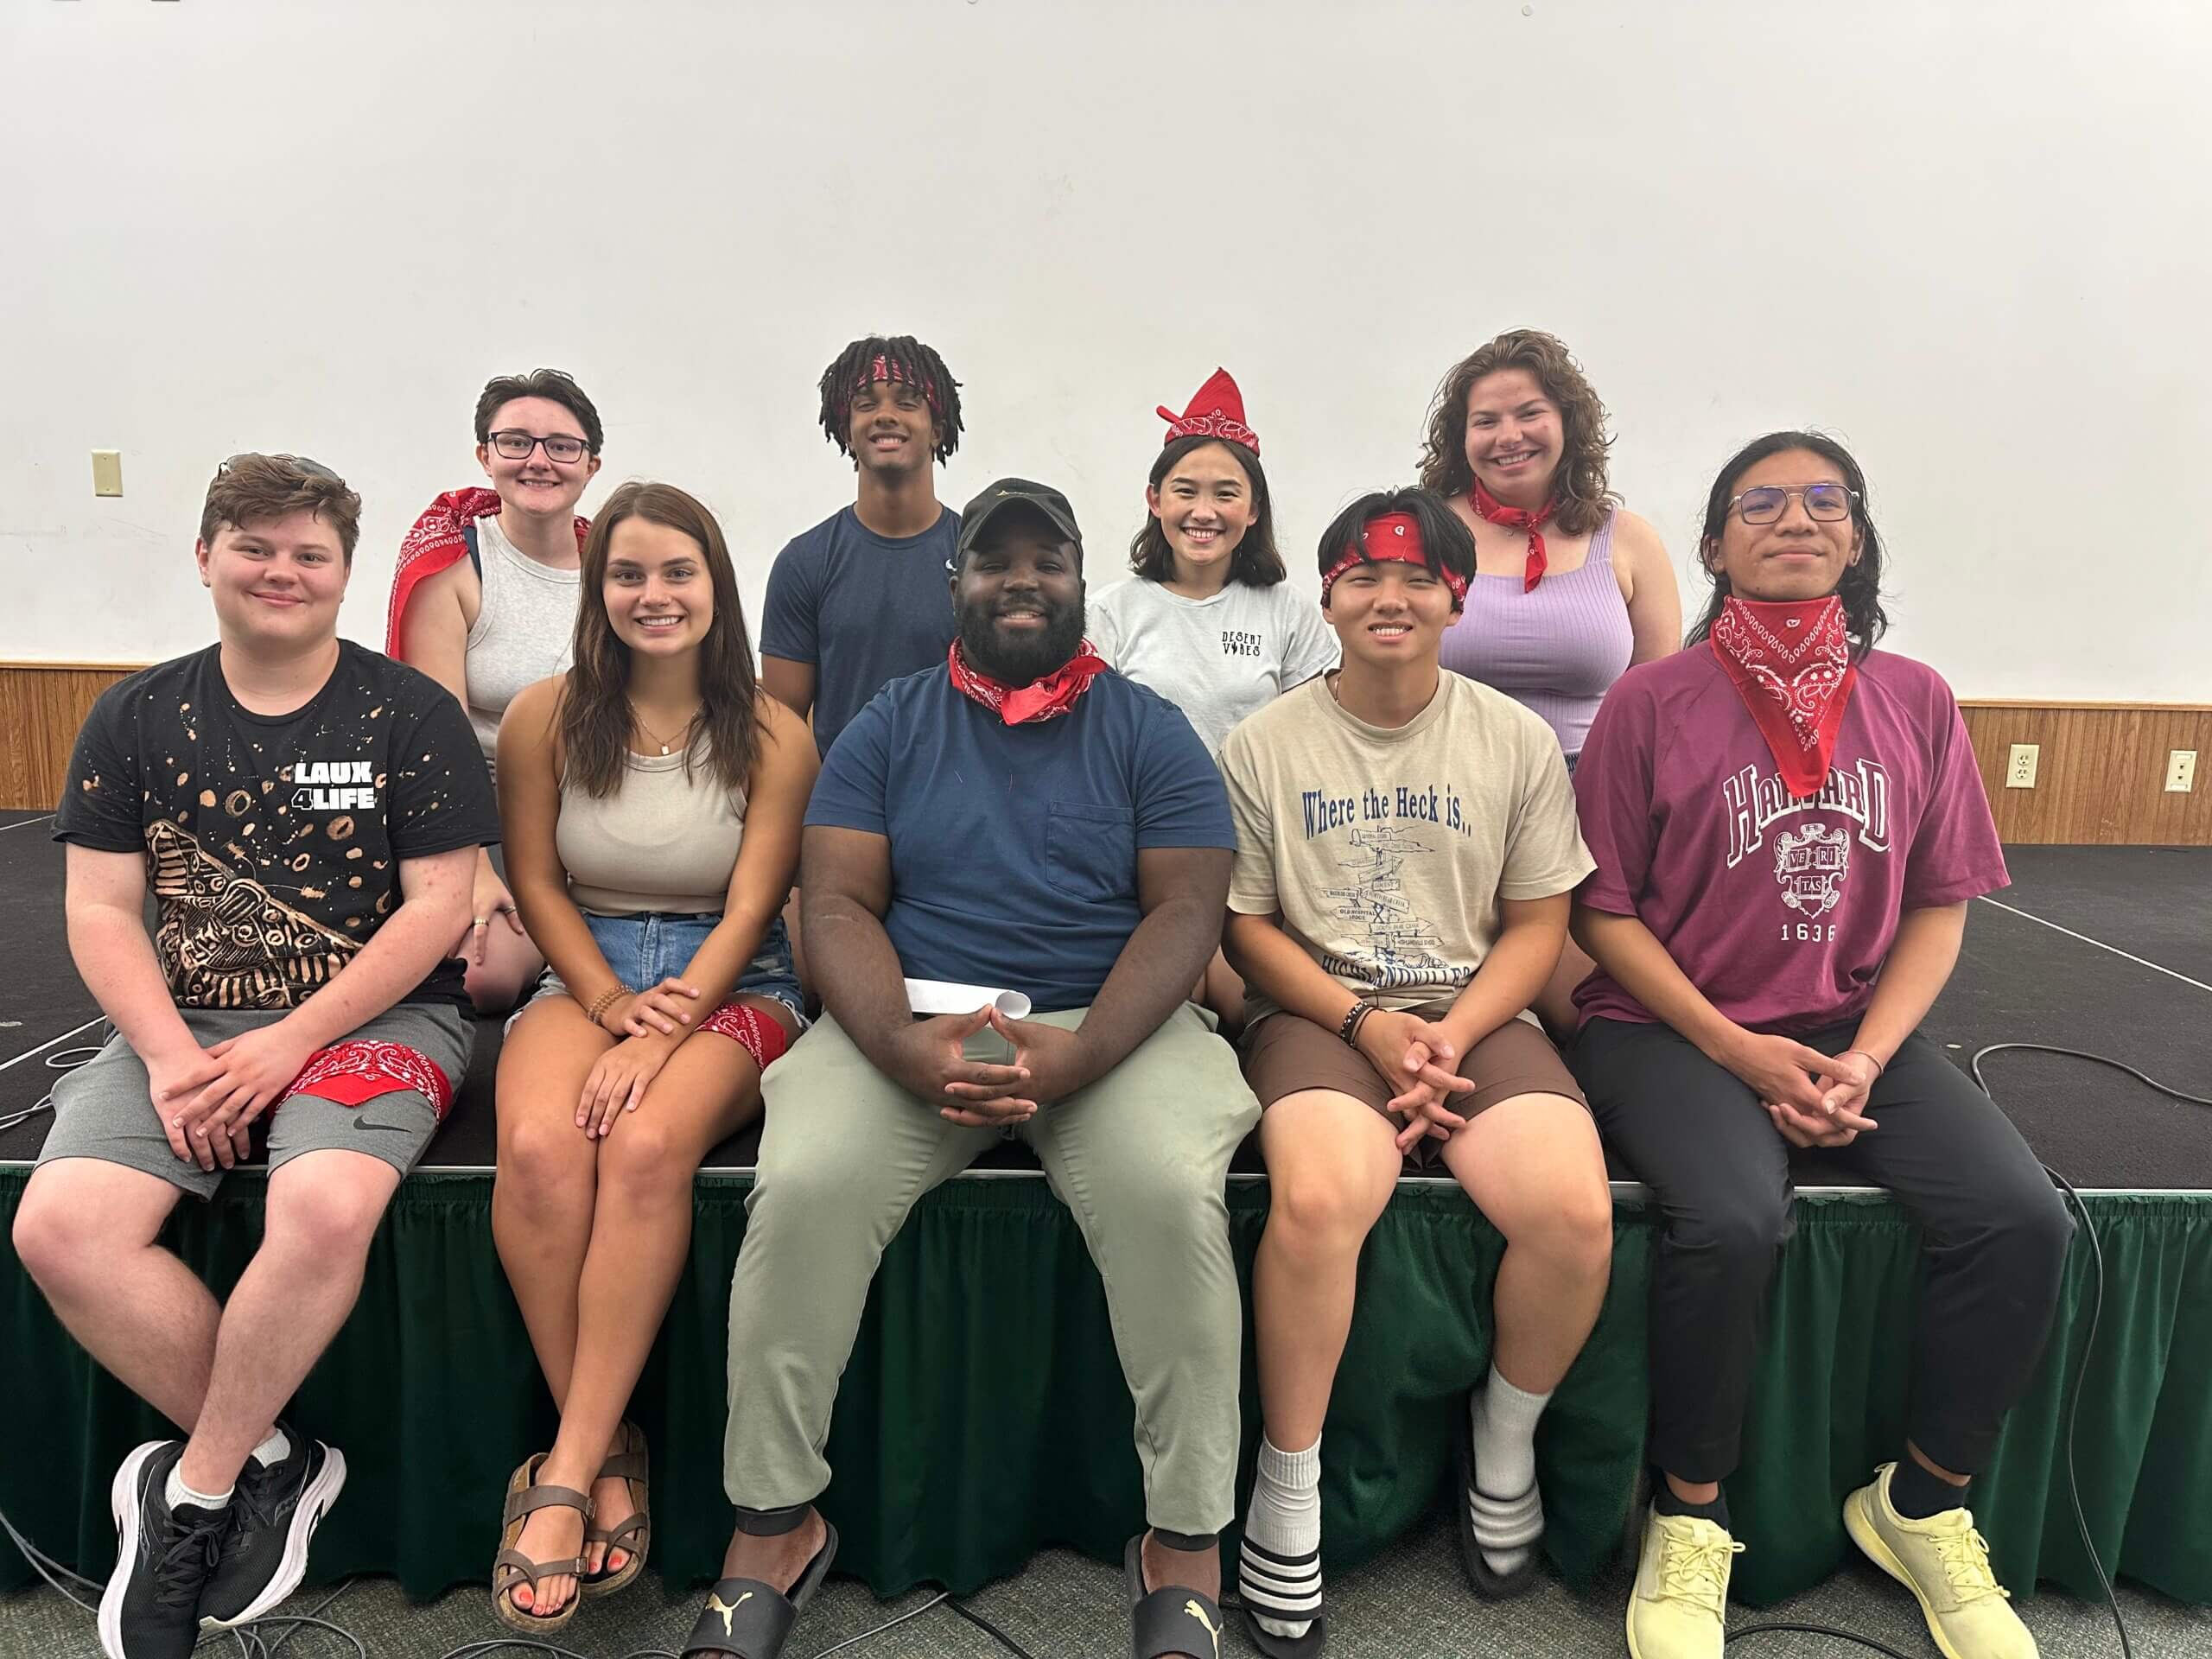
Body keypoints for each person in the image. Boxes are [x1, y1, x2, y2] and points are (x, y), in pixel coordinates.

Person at [687, 480, 1256, 1659]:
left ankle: (1185, 1541)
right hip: (914, 1024)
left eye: (1044, 560)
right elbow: (833, 900)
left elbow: (1188, 911)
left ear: (1081, 580)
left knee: (1166, 1193)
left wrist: (1085, 1048)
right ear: (956, 585)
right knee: (804, 1188)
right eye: (992, 562)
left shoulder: (1150, 729)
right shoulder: (887, 726)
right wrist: (897, 1043)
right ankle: (772, 1526)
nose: (1020, 580)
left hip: (1111, 1029)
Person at [1569, 433, 2073, 1659]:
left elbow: (1941, 903)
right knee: (1735, 1219)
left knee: (2025, 1219)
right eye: (1760, 502)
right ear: (1713, 544)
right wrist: (1739, 1054)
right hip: (1672, 1028)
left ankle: (1922, 1503)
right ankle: (1689, 1517)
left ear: (1855, 537)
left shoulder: (1917, 699)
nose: (1794, 518)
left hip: (1856, 1029)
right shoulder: (1650, 702)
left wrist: (1865, 1056)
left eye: (1823, 501)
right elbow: (1602, 914)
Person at [11, 454, 498, 1659]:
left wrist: (288, 1045)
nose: (282, 572)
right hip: (184, 1030)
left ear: (342, 574)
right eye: (256, 547)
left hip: (377, 1025)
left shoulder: (409, 714)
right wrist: (175, 1059)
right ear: (206, 558)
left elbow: (438, 911)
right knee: (56, 1228)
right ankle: (279, 1457)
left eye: (310, 554)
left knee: (325, 1206)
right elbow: (101, 915)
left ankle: (195, 1496)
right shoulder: (132, 714)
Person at [1219, 489, 1613, 1655]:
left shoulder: (1514, 739)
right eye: (1360, 578)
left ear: (1458, 596)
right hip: (1320, 1011)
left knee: (1572, 1212)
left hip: (1473, 1009)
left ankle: (1507, 1437)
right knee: (1323, 1197)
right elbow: (1246, 927)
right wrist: (1364, 1025)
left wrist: (1448, 1032)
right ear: (1326, 596)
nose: (1389, 598)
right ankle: (1289, 1484)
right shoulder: (1264, 743)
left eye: (1417, 579)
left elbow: (1539, 923)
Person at [485, 483, 815, 1631]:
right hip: (590, 961)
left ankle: (564, 1476)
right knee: (534, 1144)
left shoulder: (775, 727)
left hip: (740, 978)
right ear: (599, 590)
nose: (653, 594)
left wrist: (668, 1022)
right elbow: (535, 881)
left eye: (678, 572)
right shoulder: (542, 715)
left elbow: (757, 904)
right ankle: (610, 1441)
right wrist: (607, 999)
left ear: (715, 587)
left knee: (643, 1145)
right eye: (629, 574)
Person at [1418, 328, 1679, 1033]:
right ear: (1459, 436)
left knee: (1583, 1015)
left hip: (1591, 801)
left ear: (1568, 421)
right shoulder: (1422, 531)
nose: (1509, 436)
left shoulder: (1629, 540)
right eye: (1485, 420)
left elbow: (1661, 705)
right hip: (1445, 794)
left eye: (1529, 412)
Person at [1091, 370, 1338, 1034]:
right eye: (1185, 491)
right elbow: (1086, 744)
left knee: (1245, 1011)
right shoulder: (1111, 613)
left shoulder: (1288, 613)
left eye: (1226, 493)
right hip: (1139, 855)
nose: (1205, 511)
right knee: (1163, 1005)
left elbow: (1322, 734)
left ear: (1252, 509)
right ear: (1154, 500)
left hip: (1254, 858)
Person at [386, 367, 604, 1012]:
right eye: (516, 442)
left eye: (561, 446)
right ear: (486, 455)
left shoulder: (615, 565)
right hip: (487, 809)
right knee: (488, 977)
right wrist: (475, 869)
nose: (539, 460)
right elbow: (437, 738)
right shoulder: (452, 563)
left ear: (591, 463)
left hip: (596, 795)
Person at [758, 334, 965, 760]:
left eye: (908, 402)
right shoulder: (804, 562)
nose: (885, 416)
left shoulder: (978, 556)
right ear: (846, 431)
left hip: (956, 804)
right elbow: (782, 731)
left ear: (938, 429)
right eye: (866, 404)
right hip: (842, 808)